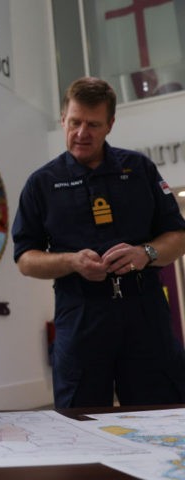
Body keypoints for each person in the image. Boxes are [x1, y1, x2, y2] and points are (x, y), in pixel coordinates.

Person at [12, 76, 185, 408]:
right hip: (81, 315)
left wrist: (145, 253)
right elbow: (25, 259)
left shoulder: (140, 170)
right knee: (80, 420)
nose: (81, 133)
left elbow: (177, 237)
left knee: (163, 412)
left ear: (110, 124)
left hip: (144, 311)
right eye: (74, 122)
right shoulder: (41, 184)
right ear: (63, 119)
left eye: (93, 124)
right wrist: (71, 262)